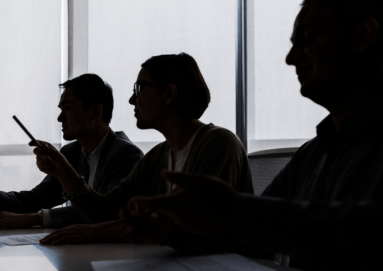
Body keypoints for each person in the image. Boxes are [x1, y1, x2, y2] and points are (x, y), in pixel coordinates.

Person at [115, 0, 383, 270]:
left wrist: (232, 210)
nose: (291, 58)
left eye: (307, 38)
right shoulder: (313, 154)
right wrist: (172, 234)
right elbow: (254, 234)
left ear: (363, 34)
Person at [35, 53, 254, 244]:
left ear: (169, 93)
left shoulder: (220, 143)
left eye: (139, 88)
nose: (132, 99)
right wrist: (63, 170)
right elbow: (104, 211)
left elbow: (197, 226)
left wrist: (97, 233)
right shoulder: (156, 157)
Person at [0, 74, 143, 229]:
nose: (60, 118)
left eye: (67, 108)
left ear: (95, 111)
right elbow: (36, 199)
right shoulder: (71, 152)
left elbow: (106, 212)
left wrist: (36, 218)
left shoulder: (127, 155)